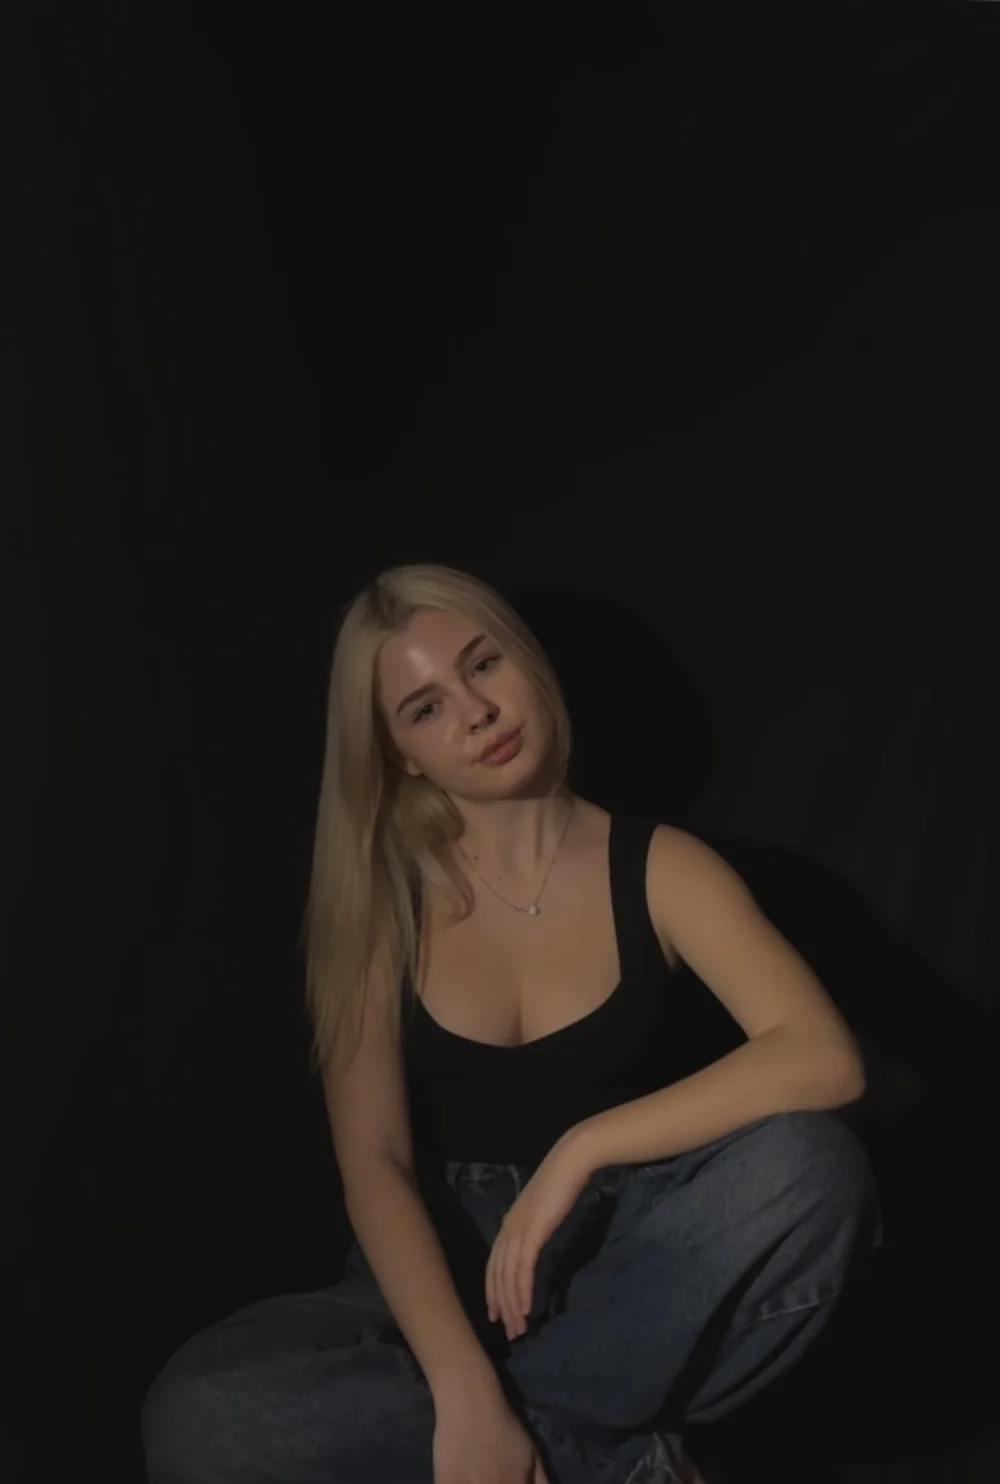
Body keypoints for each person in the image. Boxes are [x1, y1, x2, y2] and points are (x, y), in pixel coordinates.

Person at [141, 563, 877, 1484]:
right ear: (402, 754)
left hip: (638, 1261)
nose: (477, 712)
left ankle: (538, 1440)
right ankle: (625, 1462)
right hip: (445, 1263)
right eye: (425, 708)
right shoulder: (382, 903)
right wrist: (462, 1389)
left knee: (812, 1166)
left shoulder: (661, 867)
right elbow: (376, 1162)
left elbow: (826, 1058)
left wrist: (584, 1148)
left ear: (527, 663)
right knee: (200, 1414)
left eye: (484, 665)